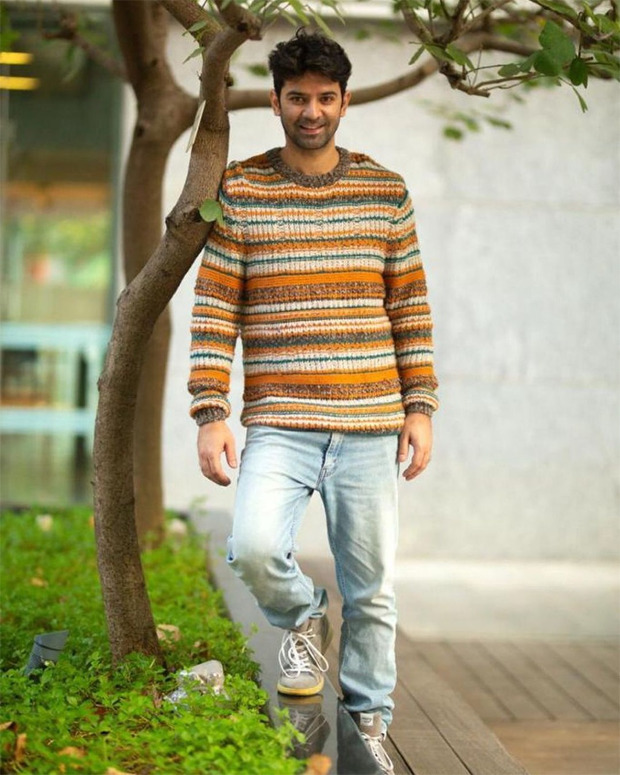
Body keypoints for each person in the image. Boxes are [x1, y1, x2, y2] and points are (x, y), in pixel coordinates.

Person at [188, 29, 438, 775]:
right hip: (281, 424)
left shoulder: (386, 191)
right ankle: (301, 618)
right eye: (297, 97)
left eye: (325, 97)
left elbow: (411, 307)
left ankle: (368, 724)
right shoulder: (241, 189)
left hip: (369, 423)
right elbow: (214, 310)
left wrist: (420, 405)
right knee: (256, 546)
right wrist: (211, 411)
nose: (311, 110)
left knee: (373, 591)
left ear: (344, 101)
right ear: (275, 101)